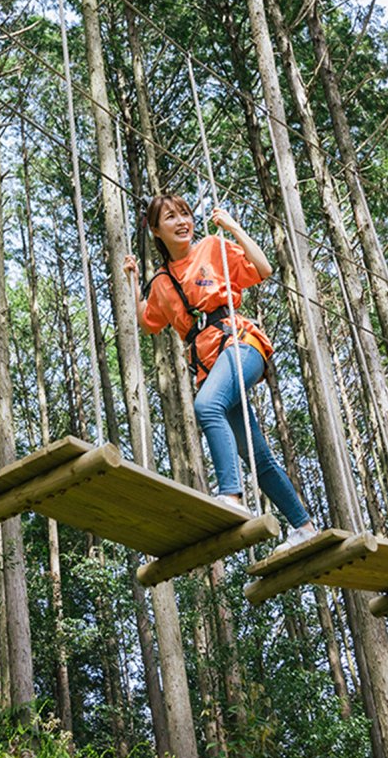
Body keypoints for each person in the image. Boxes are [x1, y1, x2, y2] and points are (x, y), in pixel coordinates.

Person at [122, 193, 320, 549]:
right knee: (256, 455)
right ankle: (303, 526)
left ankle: (231, 495)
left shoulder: (212, 246)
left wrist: (233, 227)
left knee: (207, 406)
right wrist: (133, 279)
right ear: (155, 230)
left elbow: (263, 269)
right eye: (170, 217)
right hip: (212, 365)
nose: (182, 221)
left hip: (241, 345)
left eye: (185, 214)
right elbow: (148, 322)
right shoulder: (163, 282)